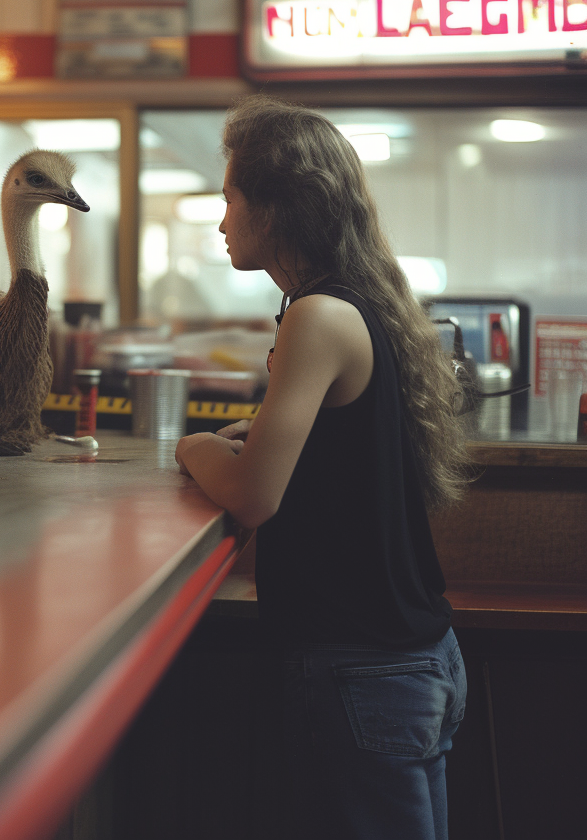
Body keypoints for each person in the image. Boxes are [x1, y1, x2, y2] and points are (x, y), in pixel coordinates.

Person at [174, 96, 471, 840]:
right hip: (415, 659)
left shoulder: (317, 315)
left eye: (228, 201)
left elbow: (252, 497)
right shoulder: (354, 302)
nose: (221, 222)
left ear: (275, 207)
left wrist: (192, 445)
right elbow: (331, 446)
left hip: (364, 671)